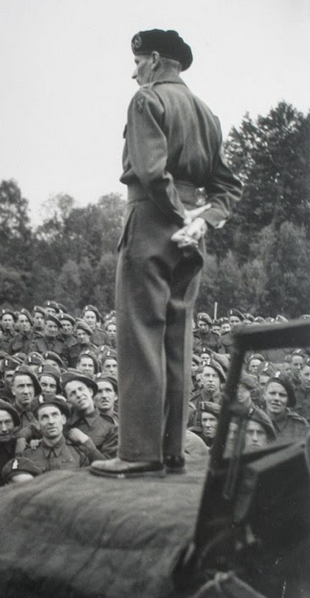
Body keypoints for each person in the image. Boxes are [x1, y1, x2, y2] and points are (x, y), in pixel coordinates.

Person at [91, 29, 241, 478]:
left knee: (140, 338)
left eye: (137, 62)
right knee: (177, 338)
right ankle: (172, 450)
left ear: (154, 60)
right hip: (192, 232)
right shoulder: (208, 113)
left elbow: (153, 174)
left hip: (153, 222)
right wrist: (199, 221)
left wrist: (178, 217)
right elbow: (228, 188)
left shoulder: (146, 100)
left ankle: (138, 452)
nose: (133, 71)